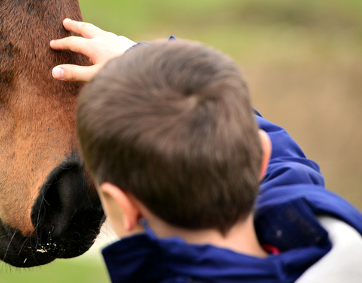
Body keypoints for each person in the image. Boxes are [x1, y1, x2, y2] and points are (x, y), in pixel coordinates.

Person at [49, 18, 362, 283]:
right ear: (261, 159)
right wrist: (135, 58)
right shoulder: (333, 239)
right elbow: (282, 160)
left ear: (123, 208)